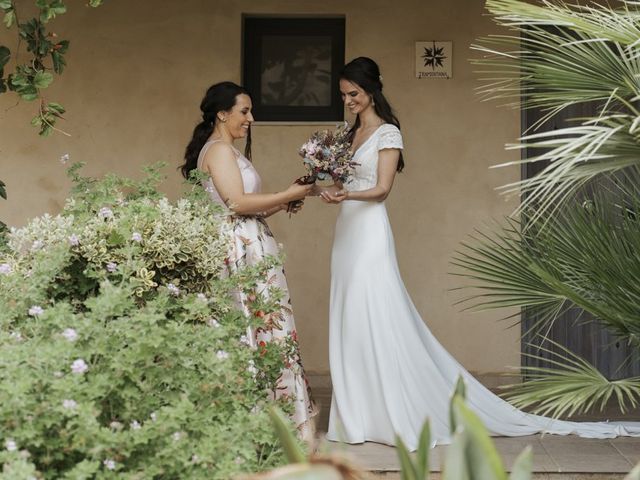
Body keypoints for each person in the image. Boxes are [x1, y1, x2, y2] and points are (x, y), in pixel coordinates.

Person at [316, 57, 640, 449]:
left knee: (375, 309)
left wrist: (347, 193)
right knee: (349, 312)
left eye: (353, 93)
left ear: (371, 90)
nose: (348, 100)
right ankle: (357, 413)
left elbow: (382, 189)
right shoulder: (348, 135)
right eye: (344, 95)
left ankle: (389, 411)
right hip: (346, 230)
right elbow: (341, 179)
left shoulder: (388, 134)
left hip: (368, 230)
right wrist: (324, 185)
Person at [180, 81, 317, 439]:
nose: (250, 119)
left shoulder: (228, 151)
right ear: (222, 113)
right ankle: (262, 420)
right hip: (238, 251)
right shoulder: (219, 151)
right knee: (251, 325)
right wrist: (285, 192)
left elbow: (247, 207)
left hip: (250, 242)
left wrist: (284, 200)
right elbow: (236, 204)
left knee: (264, 326)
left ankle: (274, 417)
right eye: (244, 111)